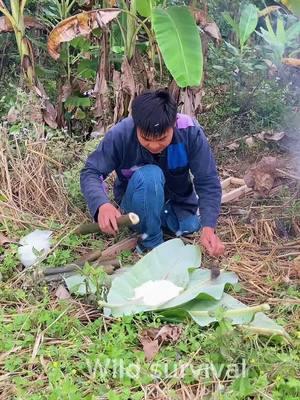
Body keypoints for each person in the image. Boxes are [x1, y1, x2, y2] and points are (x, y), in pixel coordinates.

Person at [80, 90, 225, 256]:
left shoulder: (190, 132)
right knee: (150, 175)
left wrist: (208, 227)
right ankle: (152, 244)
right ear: (137, 126)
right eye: (146, 139)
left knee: (192, 225)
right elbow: (91, 171)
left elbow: (207, 181)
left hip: (177, 204)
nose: (155, 146)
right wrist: (102, 205)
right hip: (135, 208)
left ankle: (161, 223)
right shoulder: (121, 134)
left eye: (162, 138)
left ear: (174, 124)